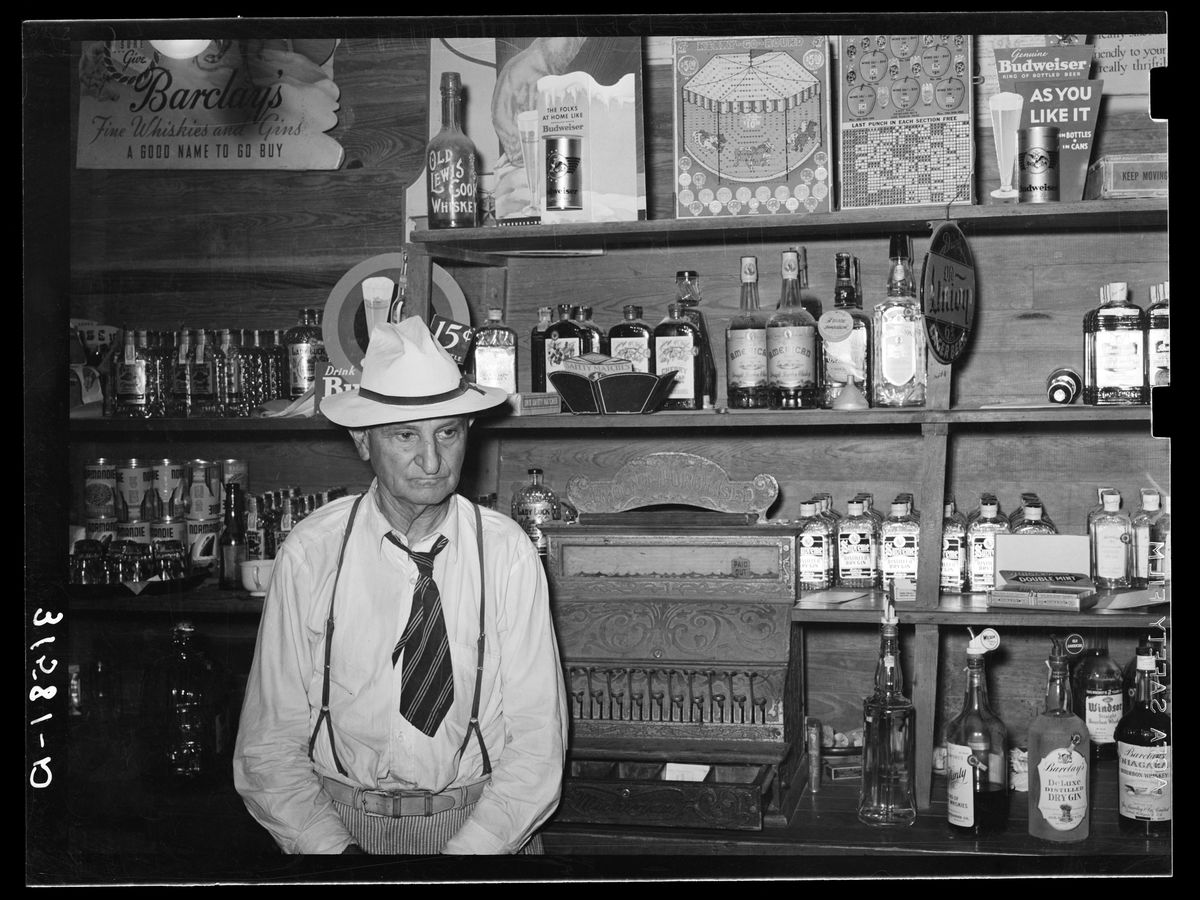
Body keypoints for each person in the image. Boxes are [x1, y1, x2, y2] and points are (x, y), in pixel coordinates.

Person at [233, 316, 568, 855]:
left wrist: (467, 855)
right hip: (336, 828)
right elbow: (267, 745)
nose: (432, 461)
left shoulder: (508, 554)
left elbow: (537, 743)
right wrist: (334, 853)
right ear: (363, 441)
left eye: (448, 432)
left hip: (488, 829)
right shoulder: (312, 552)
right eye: (405, 435)